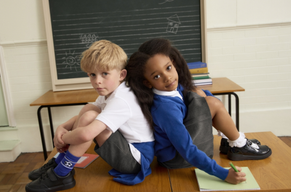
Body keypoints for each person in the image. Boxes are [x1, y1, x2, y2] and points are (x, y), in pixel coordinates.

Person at [125, 38, 272, 184]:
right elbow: (187, 149)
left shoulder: (173, 90)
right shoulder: (165, 109)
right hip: (176, 158)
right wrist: (224, 174)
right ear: (147, 83)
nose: (167, 77)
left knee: (200, 93)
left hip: (178, 150)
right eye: (157, 76)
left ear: (173, 63)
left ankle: (233, 140)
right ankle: (239, 145)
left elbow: (201, 96)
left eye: (168, 68)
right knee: (211, 103)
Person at [25, 40, 155, 192]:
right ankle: (60, 163)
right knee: (89, 110)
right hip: (126, 147)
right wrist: (62, 127)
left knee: (90, 119)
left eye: (104, 74)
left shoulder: (122, 100)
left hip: (135, 160)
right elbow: (88, 112)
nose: (97, 81)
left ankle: (61, 173)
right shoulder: (111, 90)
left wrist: (62, 139)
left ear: (122, 74)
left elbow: (87, 133)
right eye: (92, 75)